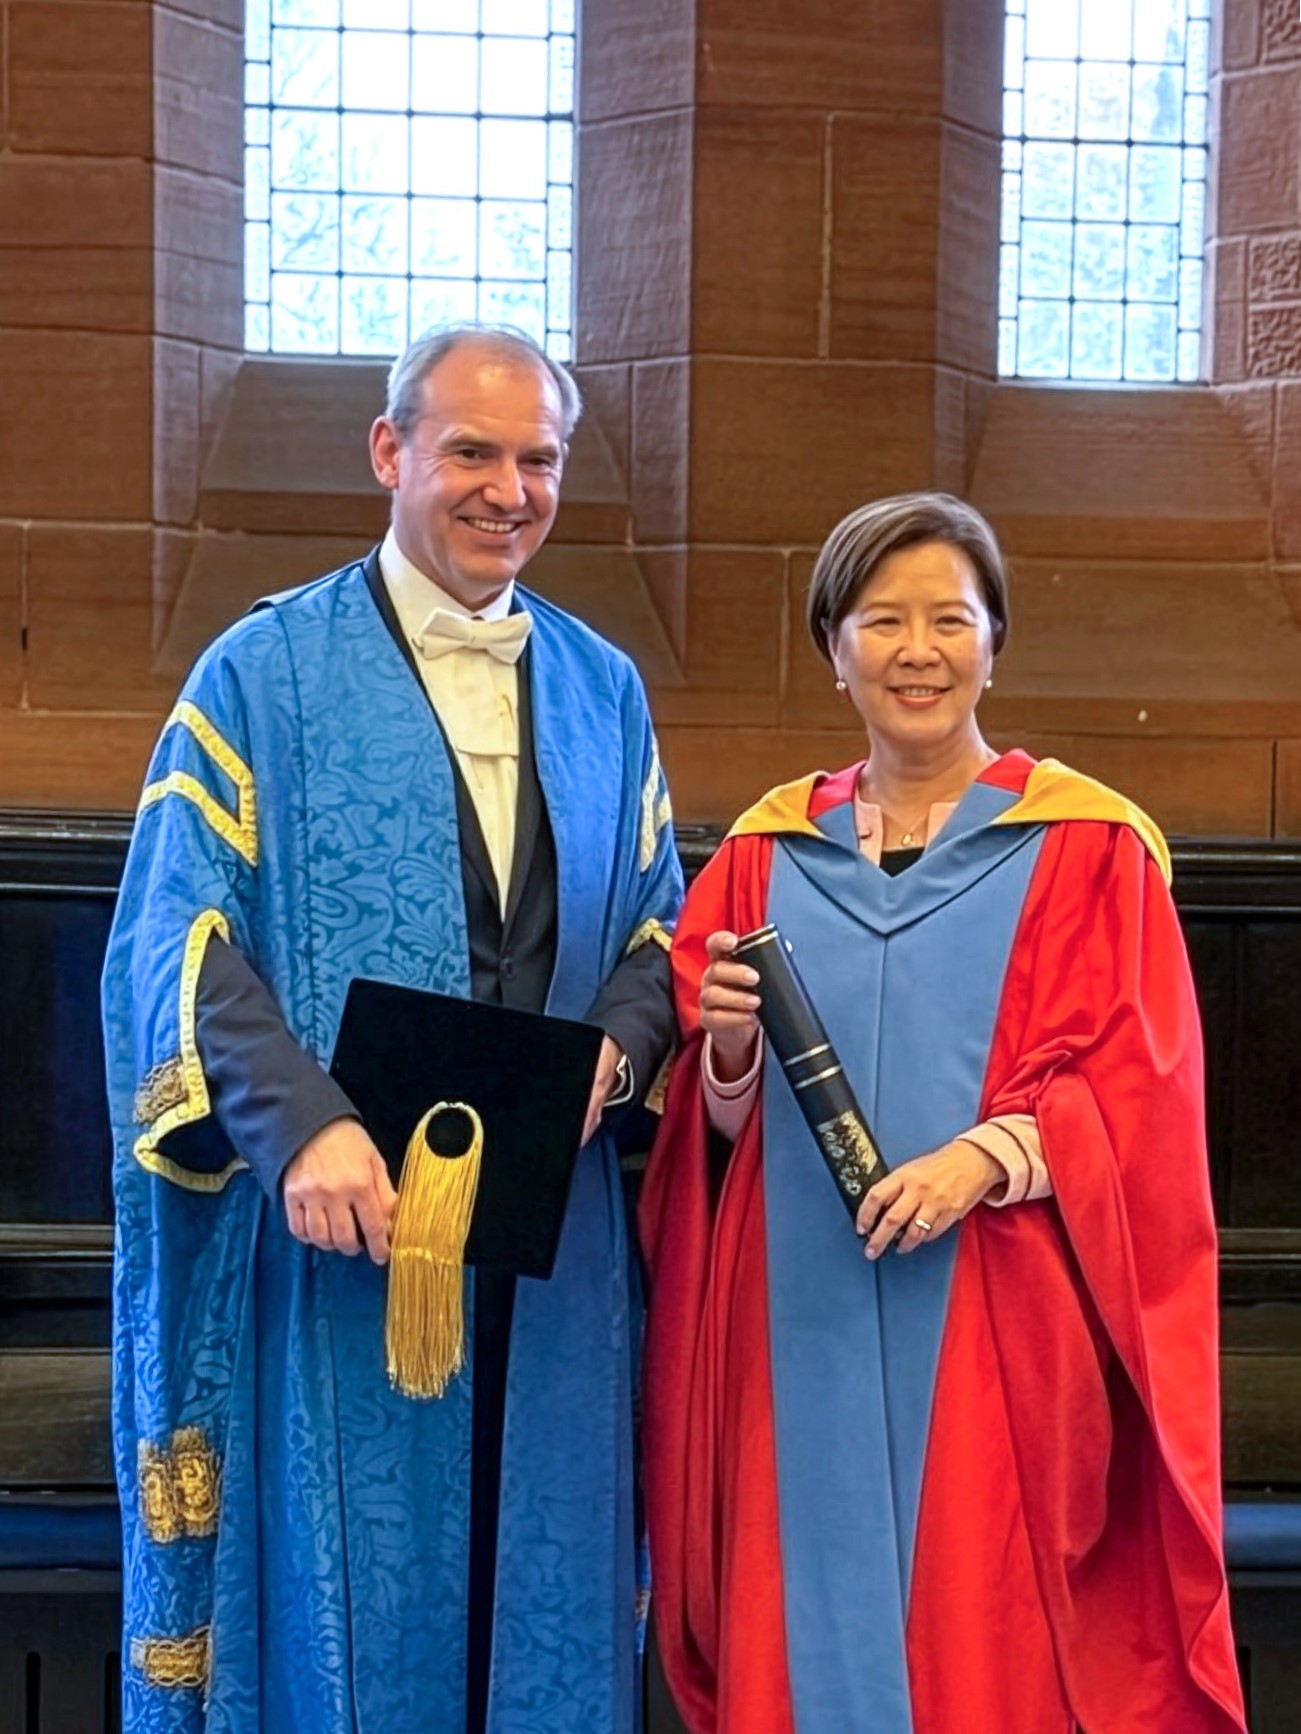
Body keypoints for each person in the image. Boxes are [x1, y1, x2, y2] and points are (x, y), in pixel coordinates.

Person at [104, 324, 682, 1733]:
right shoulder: (264, 673)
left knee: (539, 1588)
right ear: (390, 452)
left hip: (552, 1241)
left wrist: (621, 1040)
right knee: (366, 1604)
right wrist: (302, 1128)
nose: (508, 489)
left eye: (536, 459)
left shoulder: (605, 687)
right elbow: (178, 933)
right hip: (350, 1230)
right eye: (471, 451)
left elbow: (663, 923)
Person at [640, 492, 1245, 1734]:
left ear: (992, 639)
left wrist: (982, 1158)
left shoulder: (1089, 850)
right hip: (792, 1313)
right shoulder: (758, 856)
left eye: (947, 620)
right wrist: (730, 1058)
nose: (916, 650)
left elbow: (1138, 1094)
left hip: (998, 1323)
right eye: (882, 621)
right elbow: (697, 1132)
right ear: (833, 644)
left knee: (983, 1632)